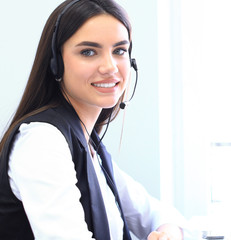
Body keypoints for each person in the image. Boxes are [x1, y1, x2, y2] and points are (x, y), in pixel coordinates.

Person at [0, 0, 190, 239]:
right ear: (56, 63)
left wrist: (168, 234)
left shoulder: (90, 145)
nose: (110, 66)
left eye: (119, 50)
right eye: (88, 52)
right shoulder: (43, 140)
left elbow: (158, 214)